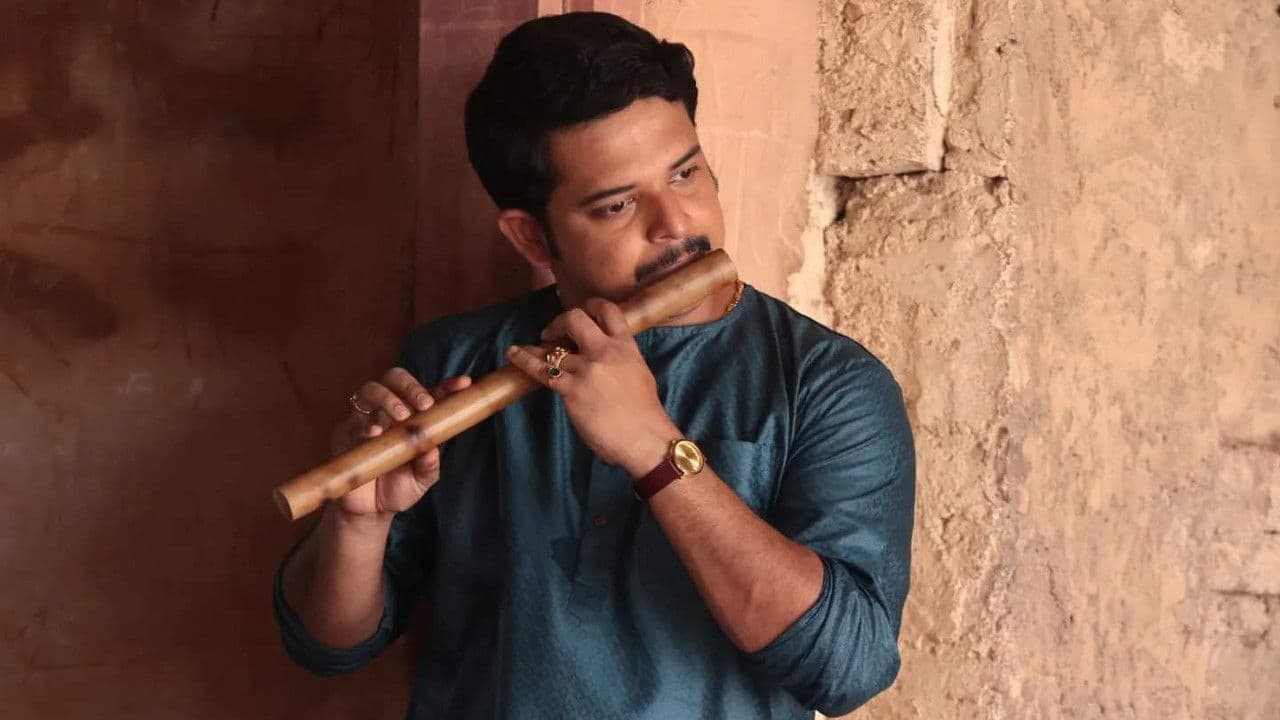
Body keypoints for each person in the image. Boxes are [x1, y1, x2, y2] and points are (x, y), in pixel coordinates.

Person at [273, 12, 914, 719]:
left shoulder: (828, 385)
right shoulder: (454, 360)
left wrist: (654, 449)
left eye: (685, 172)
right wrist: (356, 526)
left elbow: (848, 669)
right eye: (617, 206)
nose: (676, 223)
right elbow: (329, 646)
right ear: (530, 237)